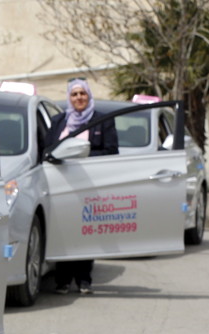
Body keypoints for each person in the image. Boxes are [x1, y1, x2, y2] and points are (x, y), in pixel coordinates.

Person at [45, 78, 119, 295]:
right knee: (64, 231)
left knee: (86, 231)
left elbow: (111, 151)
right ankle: (63, 280)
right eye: (75, 94)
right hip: (61, 185)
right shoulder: (59, 121)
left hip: (89, 185)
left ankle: (84, 280)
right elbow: (48, 149)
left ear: (89, 96)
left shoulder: (102, 121)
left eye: (83, 94)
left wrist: (82, 155)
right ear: (69, 97)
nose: (79, 98)